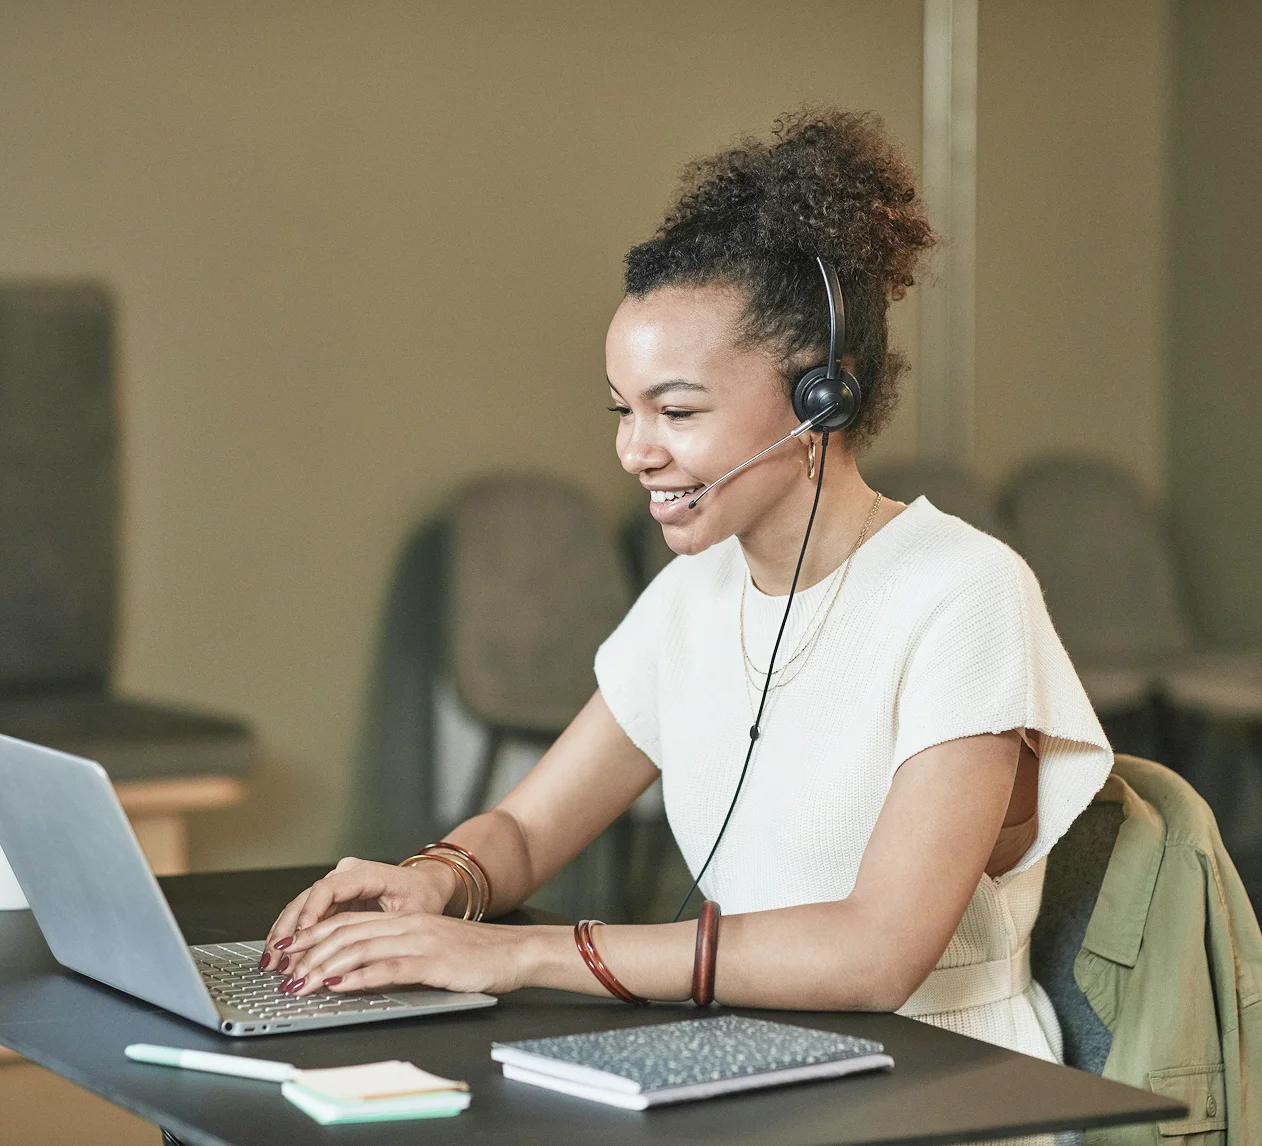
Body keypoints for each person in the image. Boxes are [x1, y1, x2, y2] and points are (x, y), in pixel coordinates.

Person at [261, 108, 1111, 1063]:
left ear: (820, 397)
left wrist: (520, 954)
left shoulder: (965, 594)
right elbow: (525, 830)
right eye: (625, 410)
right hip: (746, 1060)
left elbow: (876, 958)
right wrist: (435, 883)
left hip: (942, 1076)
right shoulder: (690, 596)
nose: (634, 449)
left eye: (677, 410)